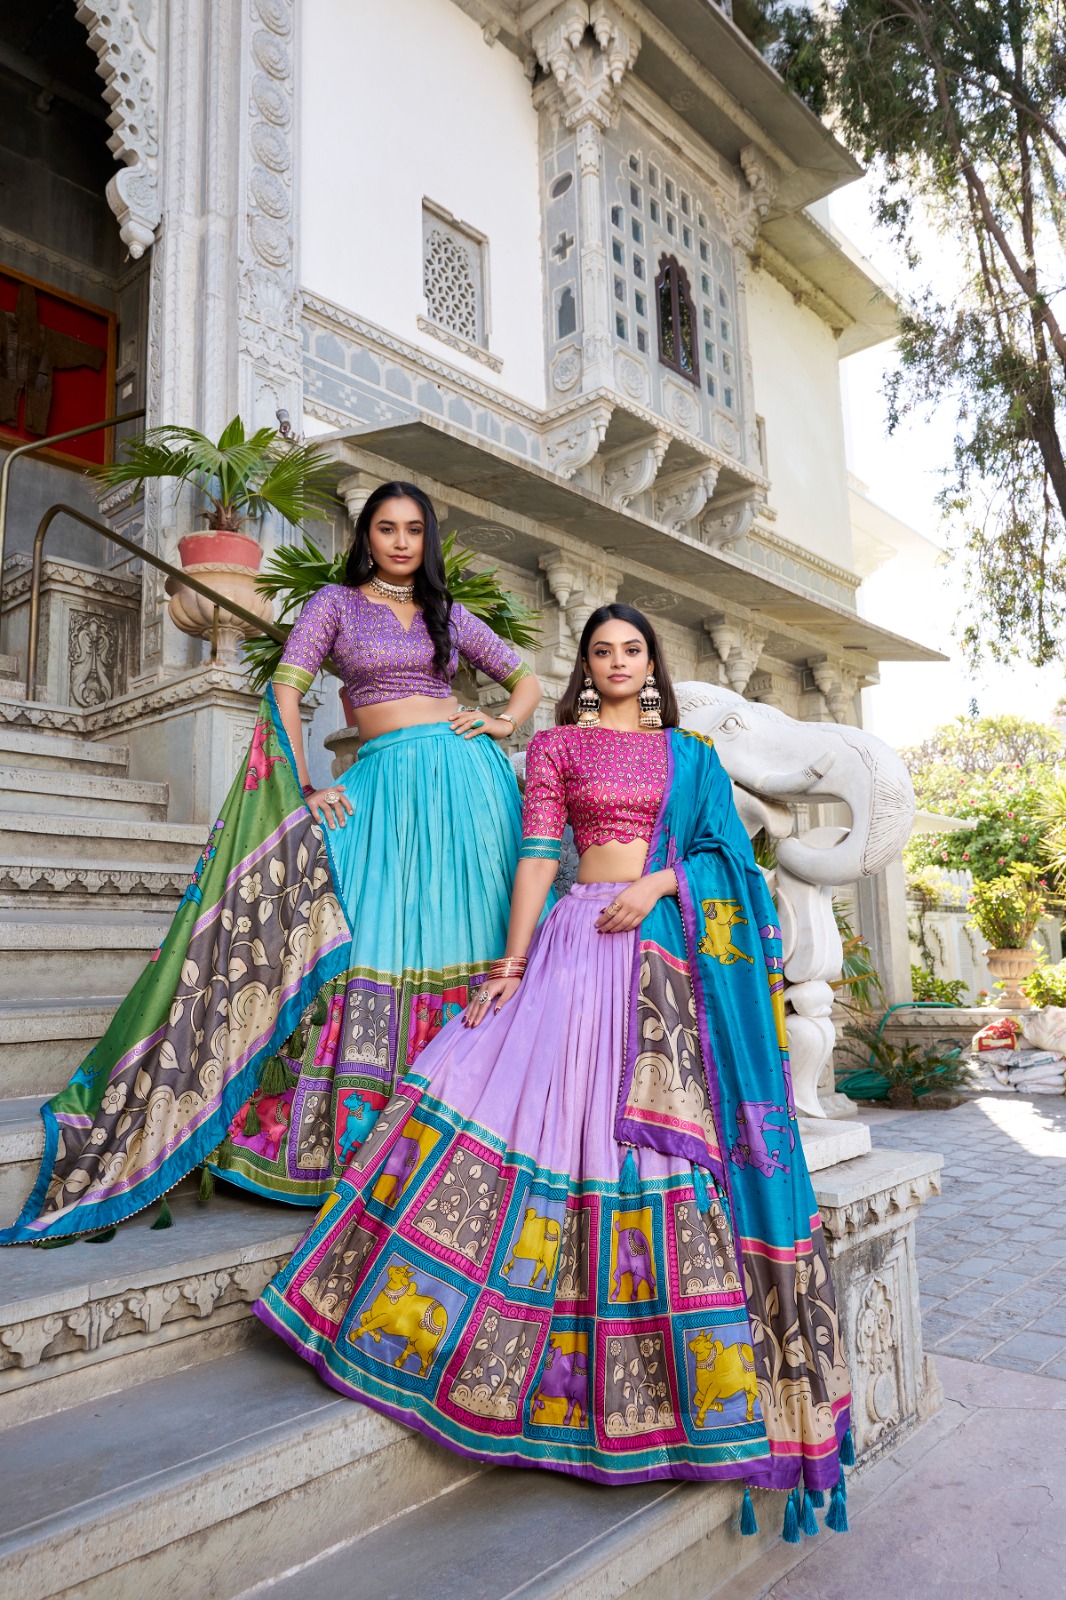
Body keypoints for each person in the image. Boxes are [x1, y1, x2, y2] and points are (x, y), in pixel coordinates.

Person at [255, 605, 854, 1531]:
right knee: (506, 1096)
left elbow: (726, 860)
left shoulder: (690, 757)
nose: (617, 662)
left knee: (645, 1148)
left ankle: (666, 1396)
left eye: (632, 650)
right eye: (601, 651)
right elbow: (538, 857)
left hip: (661, 958)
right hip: (575, 943)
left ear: (651, 664)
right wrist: (510, 963)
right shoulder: (557, 746)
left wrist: (660, 882)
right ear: (585, 665)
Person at [4, 481, 541, 1242]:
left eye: (413, 529)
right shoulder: (333, 604)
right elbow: (286, 693)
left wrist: (500, 722)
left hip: (465, 788)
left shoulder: (445, 613)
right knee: (361, 942)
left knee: (471, 941)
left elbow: (526, 680)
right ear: (365, 536)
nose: (400, 542)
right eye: (386, 528)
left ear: (426, 539)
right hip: (385, 784)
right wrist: (305, 785)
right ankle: (358, 1145)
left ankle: (458, 1141)